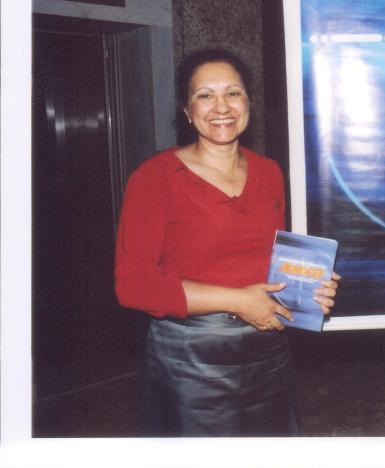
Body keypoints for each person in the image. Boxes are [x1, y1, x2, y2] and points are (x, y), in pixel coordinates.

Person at [114, 48, 339, 437]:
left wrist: (309, 288)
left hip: (267, 350)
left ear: (248, 102)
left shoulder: (269, 172)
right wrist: (237, 301)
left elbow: (269, 263)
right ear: (187, 109)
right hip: (191, 359)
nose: (222, 107)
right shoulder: (154, 178)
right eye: (205, 95)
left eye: (233, 93)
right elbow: (133, 285)